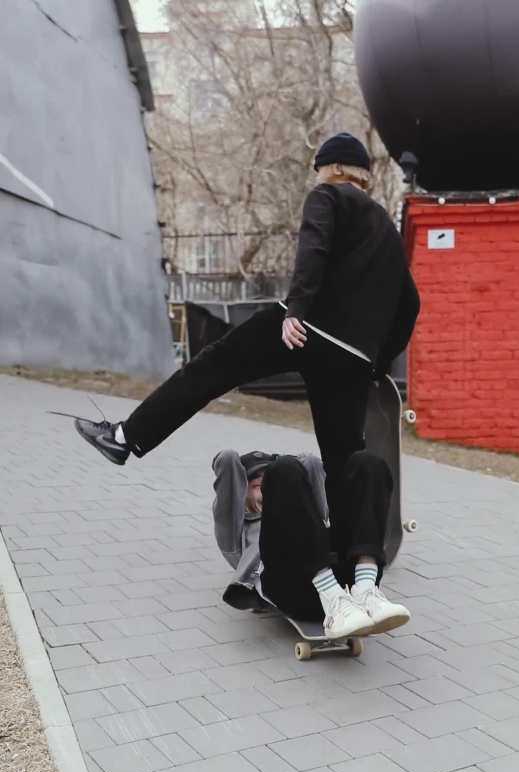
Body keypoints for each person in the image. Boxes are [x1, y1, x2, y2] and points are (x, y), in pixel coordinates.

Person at [74, 132, 420, 556]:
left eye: (318, 170)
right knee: (343, 454)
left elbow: (313, 249)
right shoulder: (388, 231)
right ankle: (353, 556)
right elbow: (410, 304)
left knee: (212, 368)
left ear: (331, 169)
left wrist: (296, 310)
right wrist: (376, 363)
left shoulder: (327, 196)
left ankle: (125, 437)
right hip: (352, 358)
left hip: (302, 328)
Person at [213, 448, 410, 640]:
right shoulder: (237, 531)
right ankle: (332, 599)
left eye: (269, 486)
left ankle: (367, 590)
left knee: (367, 463)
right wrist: (276, 473)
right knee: (283, 469)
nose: (267, 492)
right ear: (242, 493)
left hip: (340, 578)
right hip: (294, 589)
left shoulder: (305, 509)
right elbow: (227, 463)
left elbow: (311, 462)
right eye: (259, 487)